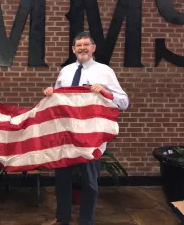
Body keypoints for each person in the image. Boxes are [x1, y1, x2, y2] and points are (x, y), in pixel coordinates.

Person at [42, 31, 129, 225]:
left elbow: (124, 102)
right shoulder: (65, 72)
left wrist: (106, 92)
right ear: (73, 49)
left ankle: (86, 221)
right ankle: (62, 219)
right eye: (78, 45)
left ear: (93, 48)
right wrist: (50, 93)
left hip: (90, 139)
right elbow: (58, 99)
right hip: (65, 137)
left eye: (86, 44)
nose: (82, 48)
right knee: (62, 182)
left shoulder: (104, 71)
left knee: (90, 183)